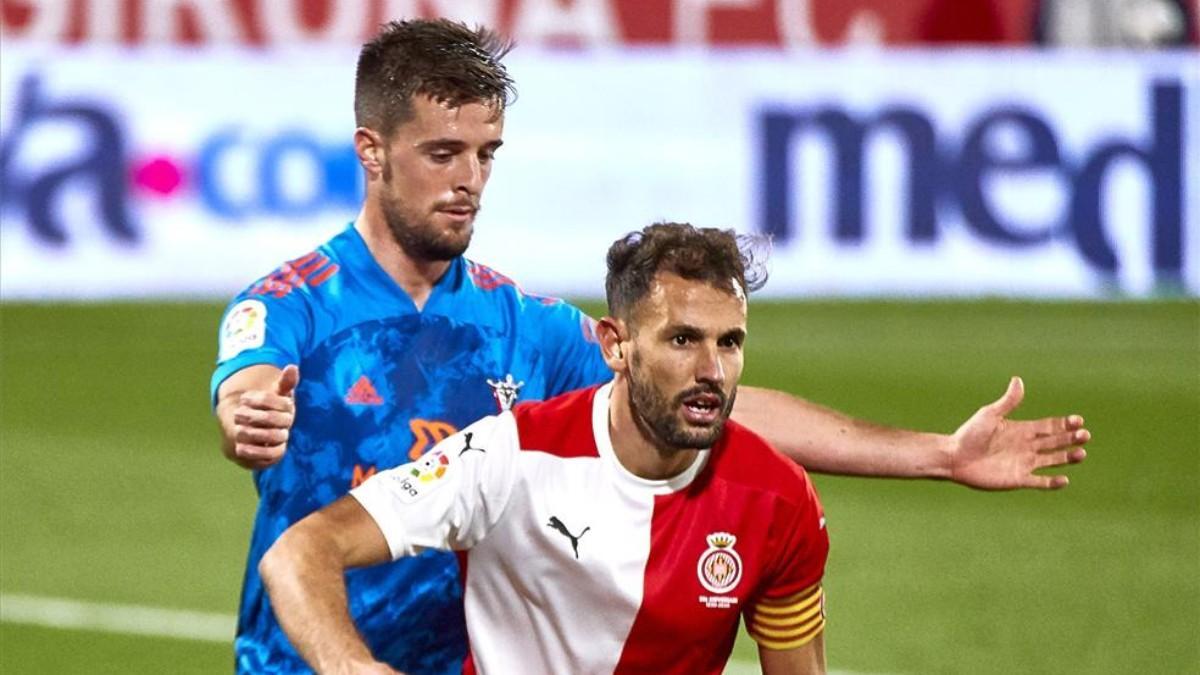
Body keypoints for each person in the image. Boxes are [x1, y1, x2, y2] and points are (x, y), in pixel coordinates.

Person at [211, 18, 1089, 675]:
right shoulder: (292, 304)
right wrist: (245, 410)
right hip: (303, 660)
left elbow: (699, 397)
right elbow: (247, 384)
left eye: (486, 153)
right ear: (372, 151)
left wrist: (936, 452)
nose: (470, 180)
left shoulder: (524, 323)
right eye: (443, 153)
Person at [261, 222, 831, 675]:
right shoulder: (511, 455)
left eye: (729, 343)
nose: (712, 370)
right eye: (682, 340)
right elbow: (298, 553)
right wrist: (355, 667)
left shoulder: (779, 500)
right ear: (615, 347)